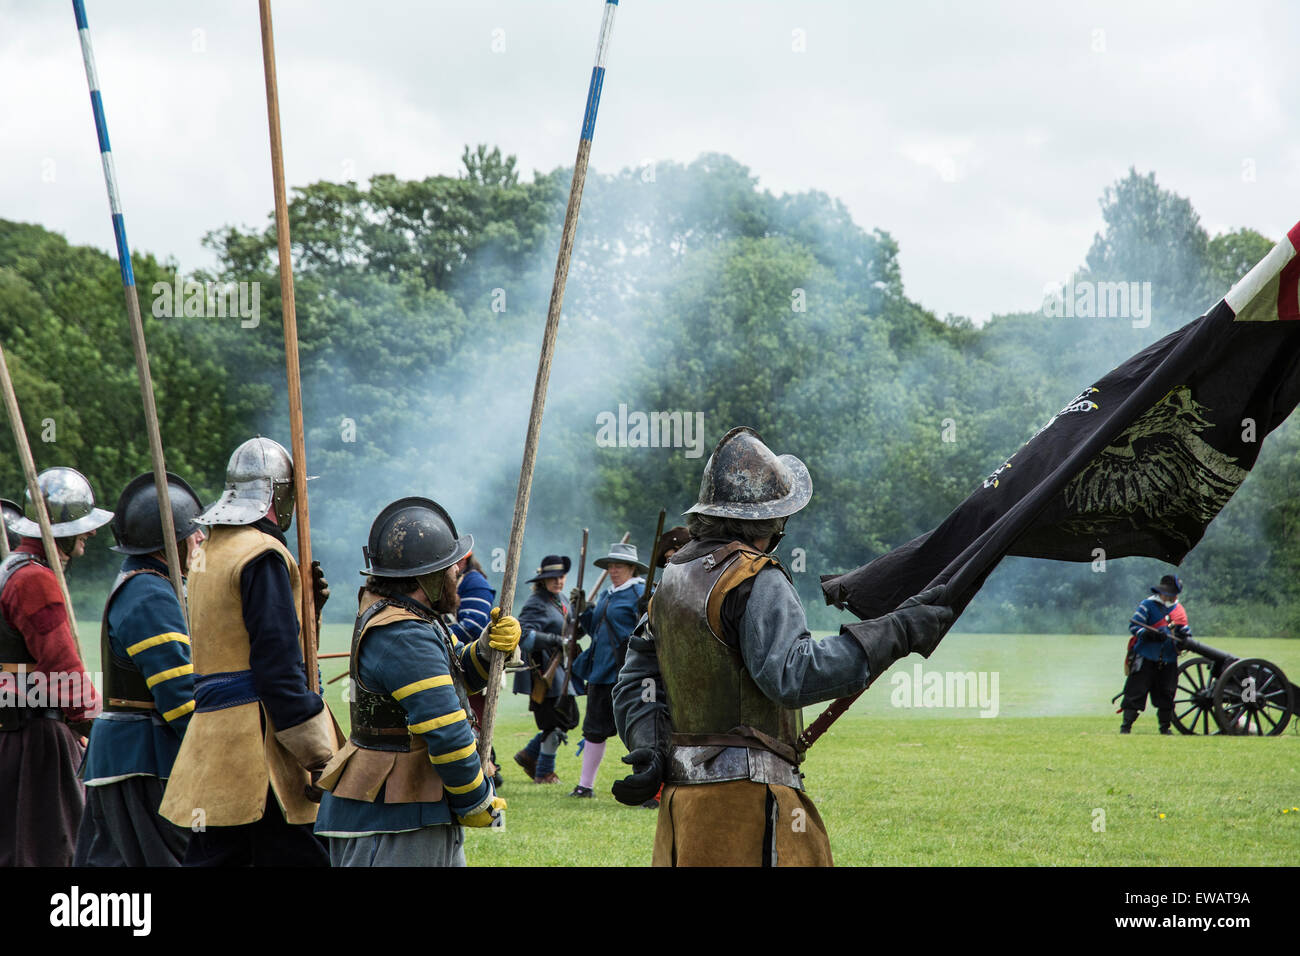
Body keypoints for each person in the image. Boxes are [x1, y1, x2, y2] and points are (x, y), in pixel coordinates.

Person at [612, 426, 953, 866]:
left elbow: (638, 680)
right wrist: (898, 631)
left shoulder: (672, 579)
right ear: (772, 521)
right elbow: (793, 673)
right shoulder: (756, 577)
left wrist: (651, 743)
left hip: (685, 810)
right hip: (749, 804)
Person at [159, 437, 340, 866]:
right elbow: (277, 667)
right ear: (279, 492)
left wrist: (304, 612)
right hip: (257, 748)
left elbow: (238, 638)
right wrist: (316, 751)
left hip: (213, 742)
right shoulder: (262, 554)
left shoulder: (209, 553)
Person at [313, 497, 518, 866]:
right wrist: (475, 799)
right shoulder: (405, 632)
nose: (459, 570)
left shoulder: (412, 617)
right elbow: (446, 728)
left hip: (410, 808)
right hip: (396, 820)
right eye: (450, 565)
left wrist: (486, 648)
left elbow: (457, 674)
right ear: (428, 576)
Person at [74, 472, 204, 866]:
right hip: (143, 758)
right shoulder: (149, 591)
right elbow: (178, 695)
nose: (200, 539)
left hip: (136, 755)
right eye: (193, 533)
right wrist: (211, 753)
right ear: (173, 538)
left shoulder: (154, 583)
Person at [0, 467, 110, 866]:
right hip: (37, 738)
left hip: (17, 731)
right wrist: (94, 726)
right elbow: (62, 669)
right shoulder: (34, 580)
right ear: (59, 527)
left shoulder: (12, 570)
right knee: (54, 850)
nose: (91, 533)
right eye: (82, 524)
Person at [569, 541, 646, 798]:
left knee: (638, 730)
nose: (613, 570)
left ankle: (645, 786)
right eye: (611, 565)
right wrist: (582, 611)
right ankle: (585, 786)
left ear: (632, 568)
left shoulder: (641, 594)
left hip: (629, 672)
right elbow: (595, 631)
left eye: (619, 566)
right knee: (593, 730)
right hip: (601, 672)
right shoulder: (606, 594)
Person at [512, 554, 579, 784]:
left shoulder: (560, 600)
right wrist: (554, 639)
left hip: (559, 667)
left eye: (560, 576)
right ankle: (544, 772)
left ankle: (530, 754)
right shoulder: (536, 602)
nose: (558, 581)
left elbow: (571, 630)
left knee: (566, 719)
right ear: (543, 580)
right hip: (543, 671)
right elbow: (524, 635)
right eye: (552, 577)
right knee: (555, 722)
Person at [448, 551, 501, 788]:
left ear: (463, 560)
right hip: (454, 660)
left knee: (473, 720)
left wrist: (435, 635)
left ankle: (486, 770)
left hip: (471, 663)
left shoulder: (474, 582)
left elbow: (474, 627)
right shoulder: (455, 581)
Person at [1120, 574, 1189, 735]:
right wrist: (1150, 634)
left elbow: (1184, 629)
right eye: (1170, 594)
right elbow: (1134, 627)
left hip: (1168, 658)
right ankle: (1126, 726)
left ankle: (1165, 728)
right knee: (1135, 692)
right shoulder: (1147, 605)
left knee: (1166, 694)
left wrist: (1185, 638)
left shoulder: (1178, 609)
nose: (1173, 597)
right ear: (1162, 593)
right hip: (1145, 656)